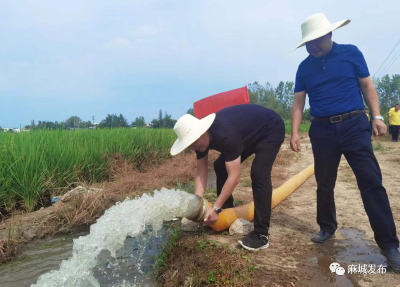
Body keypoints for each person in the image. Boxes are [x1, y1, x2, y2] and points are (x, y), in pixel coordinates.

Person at [290, 13, 400, 271]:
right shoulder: (304, 68)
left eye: (316, 40)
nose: (313, 46)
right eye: (308, 43)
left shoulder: (351, 53)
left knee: (371, 182)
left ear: (329, 35)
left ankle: (390, 245)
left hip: (354, 124)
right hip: (322, 129)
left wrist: (377, 116)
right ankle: (327, 227)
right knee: (324, 183)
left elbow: (367, 86)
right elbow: (298, 103)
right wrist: (295, 132)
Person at [170, 104, 285, 251]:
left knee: (259, 174)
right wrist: (197, 205)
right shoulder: (198, 142)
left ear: (202, 132)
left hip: (270, 128)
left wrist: (215, 207)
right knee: (219, 166)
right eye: (189, 145)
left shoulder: (225, 134)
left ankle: (261, 235)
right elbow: (201, 171)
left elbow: (235, 177)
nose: (192, 148)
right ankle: (228, 208)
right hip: (248, 134)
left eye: (193, 143)